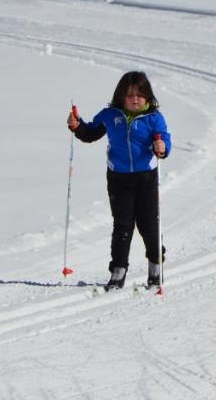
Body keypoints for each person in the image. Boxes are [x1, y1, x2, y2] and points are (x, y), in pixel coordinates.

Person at [67, 71, 172, 291]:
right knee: (122, 225)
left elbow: (163, 140)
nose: (135, 99)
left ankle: (155, 267)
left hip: (145, 177)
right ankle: (118, 270)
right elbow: (91, 133)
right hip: (119, 178)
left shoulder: (154, 118)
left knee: (149, 224)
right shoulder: (110, 115)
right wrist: (78, 126)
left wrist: (162, 148)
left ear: (148, 97)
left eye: (140, 95)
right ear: (121, 96)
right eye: (130, 94)